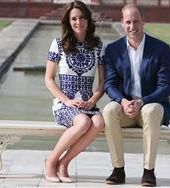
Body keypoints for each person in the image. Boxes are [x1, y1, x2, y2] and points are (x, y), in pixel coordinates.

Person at [103, 4, 170, 187]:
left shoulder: (161, 48)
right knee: (109, 110)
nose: (132, 26)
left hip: (151, 106)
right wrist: (123, 101)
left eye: (136, 21)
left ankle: (148, 171)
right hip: (126, 108)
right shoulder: (112, 50)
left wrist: (142, 102)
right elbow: (109, 84)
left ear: (143, 21)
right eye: (128, 22)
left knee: (150, 111)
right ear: (121, 23)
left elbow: (165, 87)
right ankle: (118, 170)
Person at [44, 0, 105, 183]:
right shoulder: (58, 44)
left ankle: (64, 164)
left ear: (88, 20)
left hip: (88, 104)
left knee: (99, 122)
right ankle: (51, 162)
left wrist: (93, 100)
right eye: (74, 19)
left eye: (82, 18)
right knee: (83, 122)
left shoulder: (99, 46)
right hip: (65, 105)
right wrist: (66, 100)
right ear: (68, 22)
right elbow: (48, 79)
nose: (78, 22)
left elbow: (102, 82)